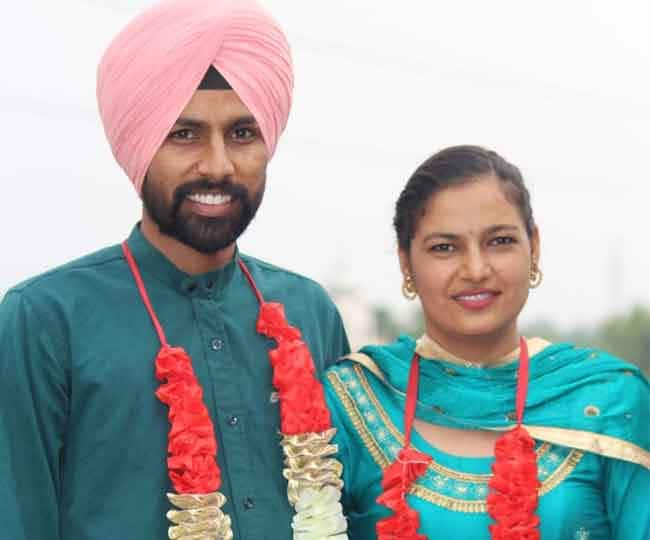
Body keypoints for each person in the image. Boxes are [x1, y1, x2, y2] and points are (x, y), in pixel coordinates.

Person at [0, 1, 349, 539]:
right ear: (139, 144)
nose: (217, 165)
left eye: (242, 134)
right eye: (184, 135)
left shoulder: (309, 312)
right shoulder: (46, 320)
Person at [324, 145, 650, 539]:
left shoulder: (609, 401)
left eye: (500, 241)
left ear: (534, 248)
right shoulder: (353, 399)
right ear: (406, 262)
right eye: (444, 248)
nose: (476, 269)